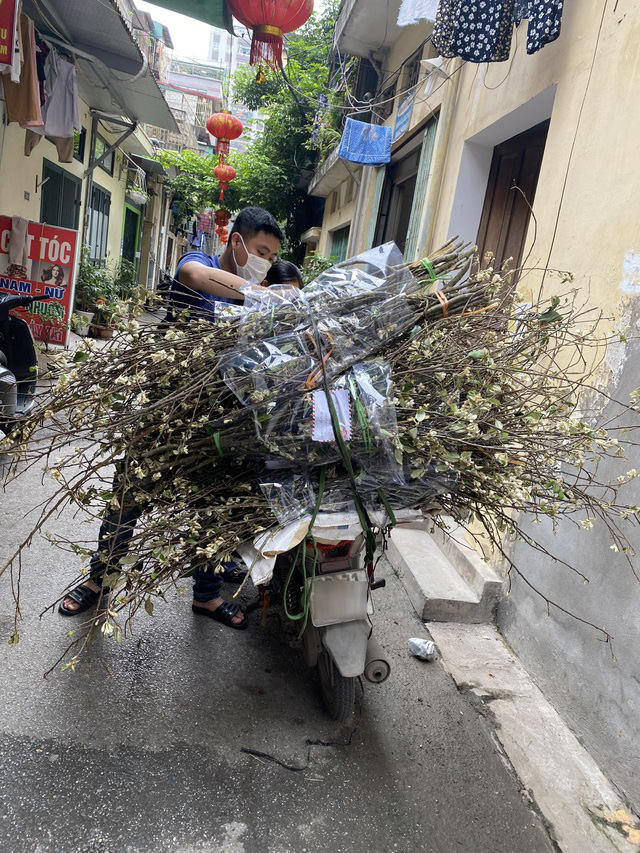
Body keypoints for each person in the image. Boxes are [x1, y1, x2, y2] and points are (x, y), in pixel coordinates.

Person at [59, 207, 284, 630]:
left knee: (213, 507)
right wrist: (264, 294)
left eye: (271, 257)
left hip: (216, 423)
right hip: (165, 414)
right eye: (260, 251)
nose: (264, 262)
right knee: (129, 496)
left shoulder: (255, 298)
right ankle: (99, 580)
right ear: (236, 242)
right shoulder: (197, 264)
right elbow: (197, 278)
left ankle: (206, 596)